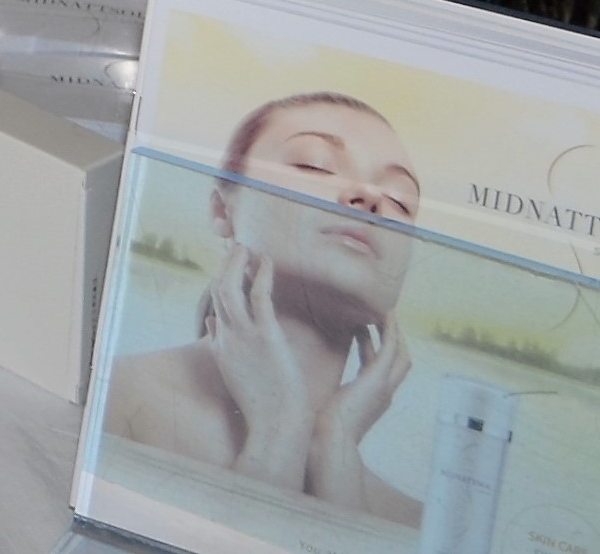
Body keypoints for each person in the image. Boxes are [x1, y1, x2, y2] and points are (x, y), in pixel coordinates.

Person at [104, 88, 427, 524]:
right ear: (222, 209)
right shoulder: (113, 402)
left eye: (401, 201)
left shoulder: (414, 524)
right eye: (315, 164)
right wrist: (280, 431)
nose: (370, 198)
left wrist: (334, 451)